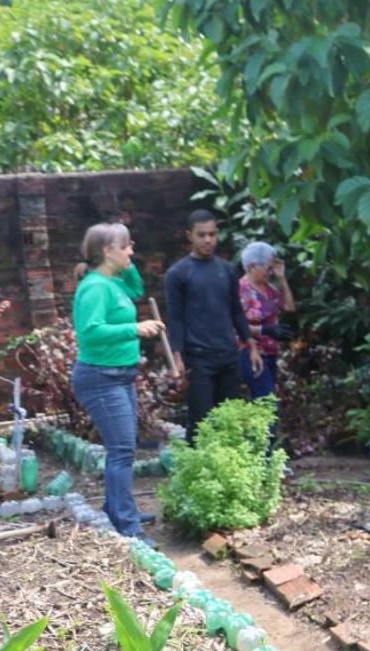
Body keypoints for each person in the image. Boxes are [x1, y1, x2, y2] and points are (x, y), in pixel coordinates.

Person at [71, 223, 163, 547]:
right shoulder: (95, 287)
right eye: (125, 247)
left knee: (123, 449)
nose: (132, 251)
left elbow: (137, 290)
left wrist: (126, 261)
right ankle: (127, 526)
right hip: (101, 378)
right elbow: (91, 331)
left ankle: (118, 509)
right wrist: (135, 329)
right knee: (122, 451)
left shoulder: (113, 281)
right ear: (107, 251)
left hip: (119, 375)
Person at [165, 210, 261, 442]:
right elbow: (175, 318)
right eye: (202, 235)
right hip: (199, 358)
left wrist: (252, 346)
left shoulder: (227, 269)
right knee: (200, 422)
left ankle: (231, 471)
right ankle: (198, 474)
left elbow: (236, 311)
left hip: (228, 354)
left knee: (231, 418)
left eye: (212, 234)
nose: (208, 240)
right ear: (190, 236)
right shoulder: (178, 273)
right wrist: (176, 358)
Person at [238, 241, 296, 399]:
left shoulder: (269, 289)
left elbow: (290, 307)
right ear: (252, 266)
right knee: (267, 403)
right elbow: (235, 325)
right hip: (251, 352)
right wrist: (265, 330)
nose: (270, 272)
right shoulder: (241, 289)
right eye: (267, 268)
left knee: (264, 404)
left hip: (271, 352)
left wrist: (282, 278)